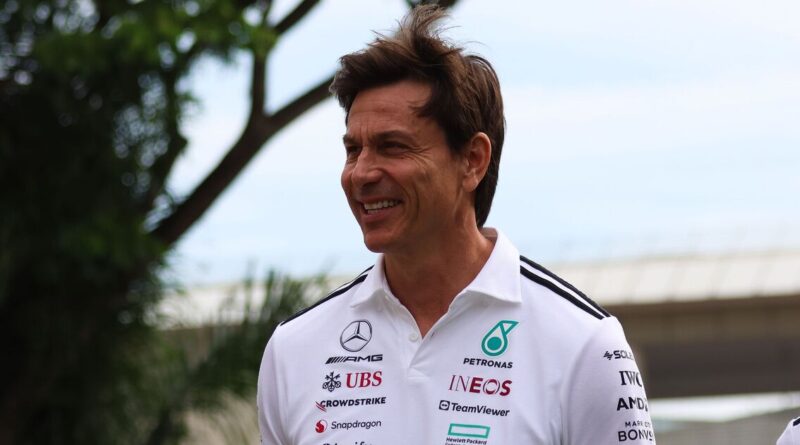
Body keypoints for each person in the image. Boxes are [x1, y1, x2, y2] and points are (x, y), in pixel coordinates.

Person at [257, 5, 655, 444]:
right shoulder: (293, 350)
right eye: (353, 150)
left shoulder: (585, 343)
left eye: (393, 146)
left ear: (472, 161)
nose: (362, 173)